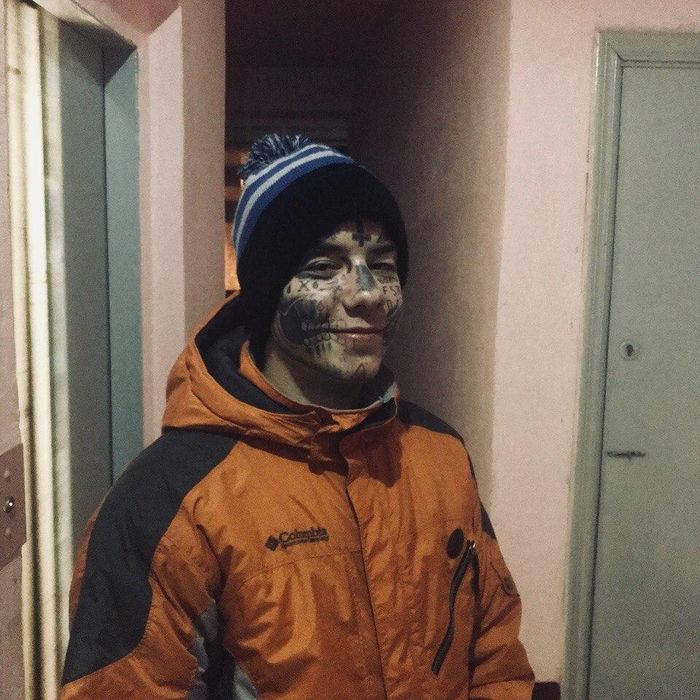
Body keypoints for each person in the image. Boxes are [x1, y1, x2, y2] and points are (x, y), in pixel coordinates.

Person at [61, 135, 534, 698]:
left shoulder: (440, 454)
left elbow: (496, 656)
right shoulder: (166, 502)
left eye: (382, 265)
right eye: (323, 266)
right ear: (266, 292)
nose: (367, 294)